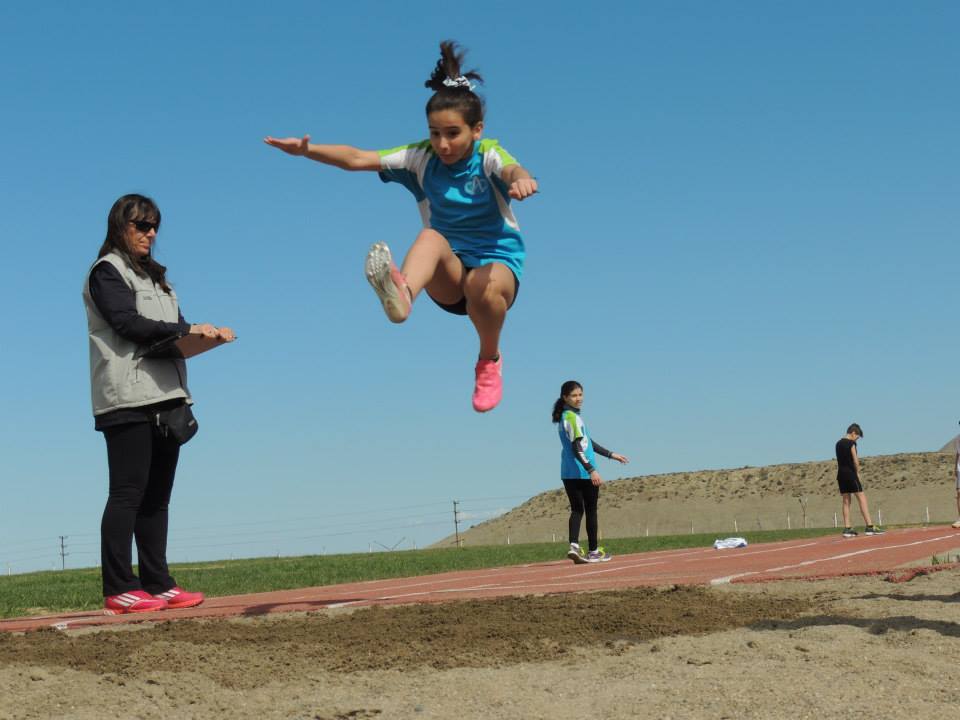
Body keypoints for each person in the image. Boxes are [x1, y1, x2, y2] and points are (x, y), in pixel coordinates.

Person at [264, 40, 537, 413]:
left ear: (476, 130)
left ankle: (489, 361)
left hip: (497, 269)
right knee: (431, 236)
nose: (442, 144)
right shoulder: (420, 157)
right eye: (434, 133)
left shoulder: (487, 153)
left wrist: (522, 179)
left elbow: (510, 169)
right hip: (449, 274)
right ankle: (403, 293)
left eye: (452, 133)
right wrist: (307, 150)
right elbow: (358, 157)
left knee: (480, 286)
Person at [83, 193, 235, 614]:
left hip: (166, 394)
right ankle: (118, 587)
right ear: (120, 227)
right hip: (125, 397)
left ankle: (158, 582)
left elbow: (171, 332)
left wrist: (201, 334)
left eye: (154, 226)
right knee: (127, 493)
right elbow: (127, 323)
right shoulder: (106, 272)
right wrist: (185, 327)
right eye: (141, 226)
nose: (150, 233)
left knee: (158, 498)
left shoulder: (160, 280)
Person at [552, 381, 629, 563]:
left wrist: (611, 454)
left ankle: (574, 546)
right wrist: (591, 470)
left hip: (568, 472)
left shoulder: (567, 417)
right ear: (565, 398)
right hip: (582, 472)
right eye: (574, 396)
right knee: (590, 511)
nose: (578, 398)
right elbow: (577, 447)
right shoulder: (572, 417)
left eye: (580, 395)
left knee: (577, 510)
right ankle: (593, 551)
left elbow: (587, 442)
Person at [835, 423, 884, 538]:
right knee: (862, 499)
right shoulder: (852, 443)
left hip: (841, 474)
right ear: (853, 433)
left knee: (846, 501)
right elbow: (855, 460)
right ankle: (870, 526)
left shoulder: (838, 443)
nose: (857, 439)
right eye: (857, 437)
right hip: (851, 474)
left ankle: (847, 528)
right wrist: (857, 472)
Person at [952, 421, 960, 529]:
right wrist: (955, 467)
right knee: (959, 493)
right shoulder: (958, 439)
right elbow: (958, 453)